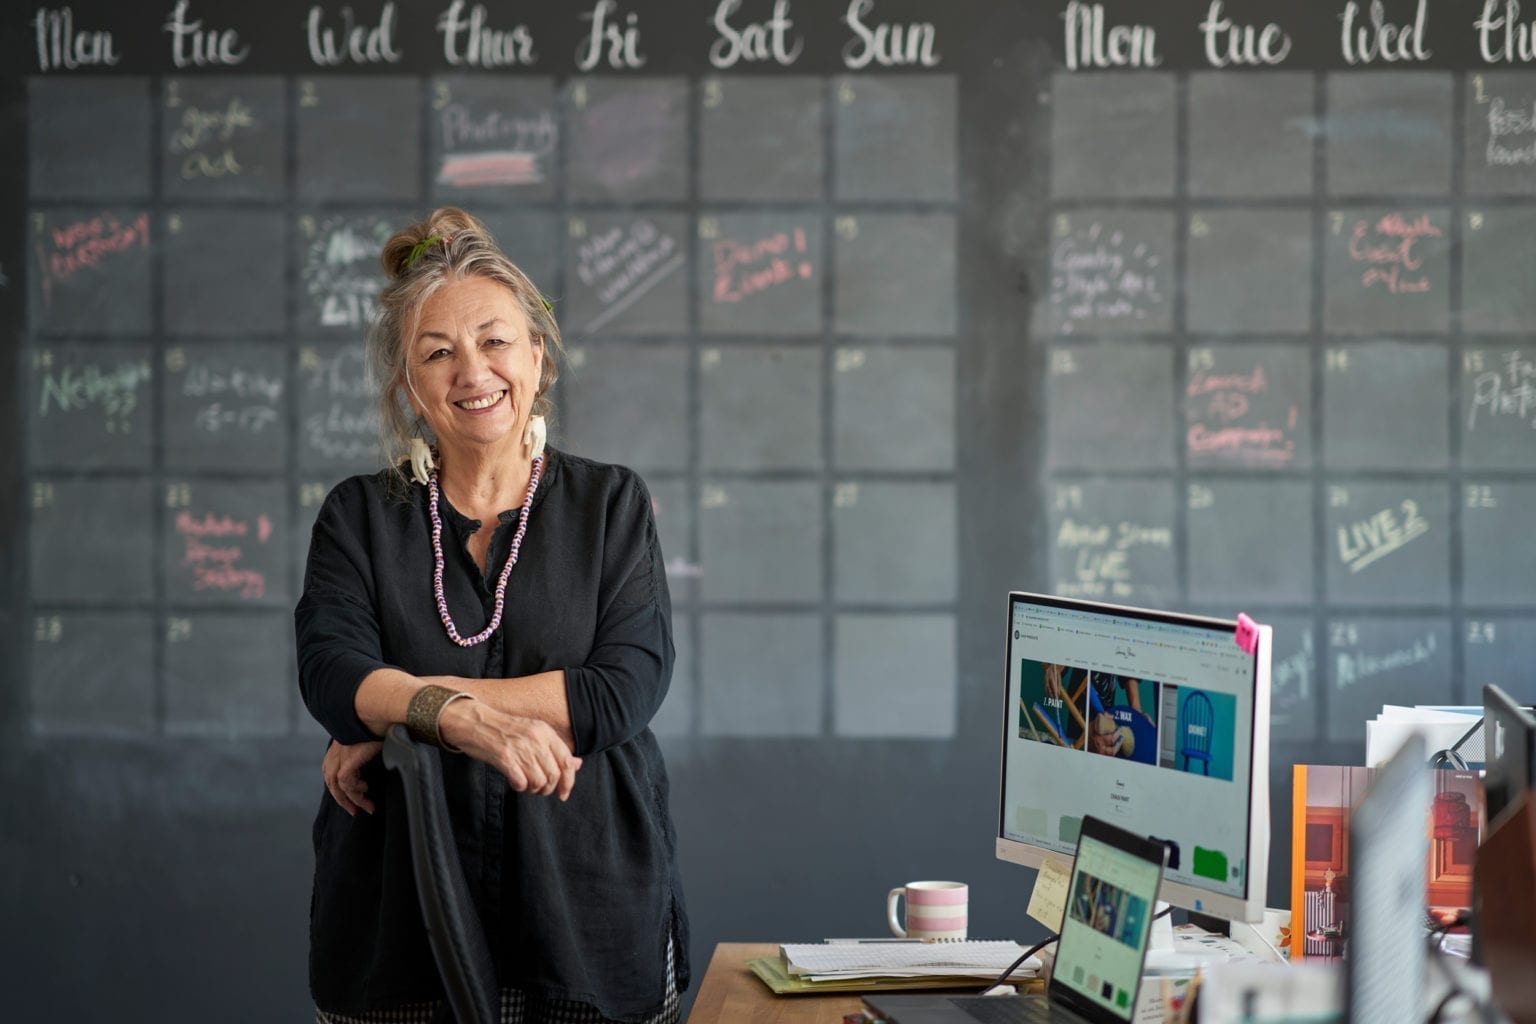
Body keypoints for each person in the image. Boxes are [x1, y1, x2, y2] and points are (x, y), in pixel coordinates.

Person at [296, 207, 687, 1024]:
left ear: (536, 357)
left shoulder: (610, 505)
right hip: (399, 937)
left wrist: (408, 705)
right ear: (409, 386)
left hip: (584, 926)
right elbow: (333, 674)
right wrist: (444, 718)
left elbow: (620, 693)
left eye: (495, 341)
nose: (473, 371)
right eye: (438, 352)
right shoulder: (358, 516)